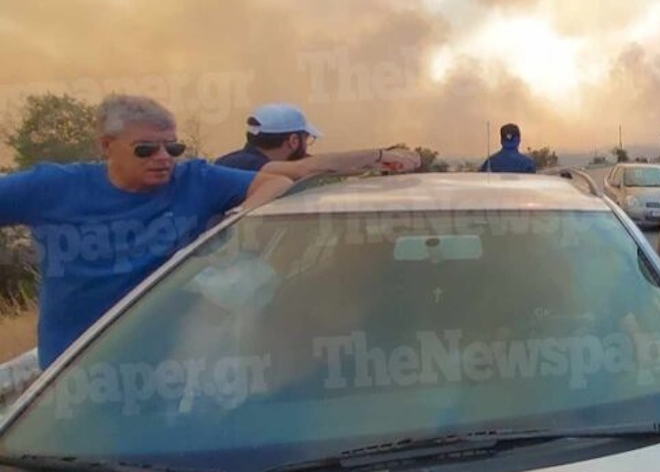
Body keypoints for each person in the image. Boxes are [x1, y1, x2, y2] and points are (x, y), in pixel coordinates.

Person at [0, 95, 296, 368]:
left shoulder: (194, 180)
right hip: (74, 370)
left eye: (173, 147)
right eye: (146, 149)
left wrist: (227, 226)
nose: (164, 157)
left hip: (169, 368)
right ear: (106, 146)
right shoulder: (52, 187)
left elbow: (276, 183)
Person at [215, 103, 419, 176]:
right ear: (293, 141)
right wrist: (378, 154)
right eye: (306, 139)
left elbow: (331, 166)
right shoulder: (239, 166)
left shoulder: (260, 163)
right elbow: (312, 167)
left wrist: (386, 162)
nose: (307, 146)